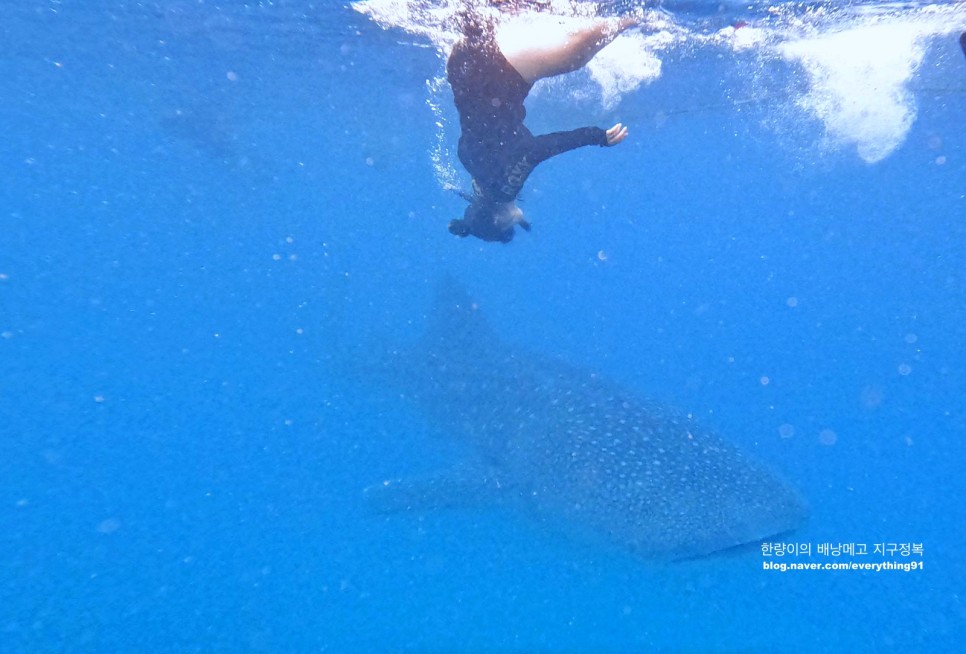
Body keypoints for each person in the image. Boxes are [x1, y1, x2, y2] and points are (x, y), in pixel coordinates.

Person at [446, 2, 637, 243]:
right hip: (460, 69)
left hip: (499, 77)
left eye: (510, 227)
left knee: (579, 51)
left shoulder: (503, 189)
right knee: (494, 15)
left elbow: (537, 150)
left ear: (499, 219)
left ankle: (635, 15)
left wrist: (597, 137)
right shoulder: (478, 176)